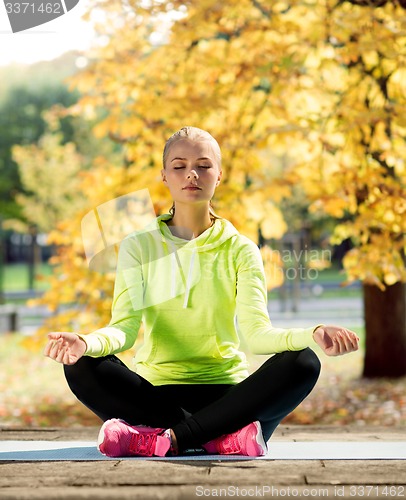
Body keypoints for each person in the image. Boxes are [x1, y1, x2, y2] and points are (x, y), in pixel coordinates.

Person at [44, 126, 359, 458]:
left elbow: (257, 335)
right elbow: (123, 329)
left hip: (230, 400)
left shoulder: (241, 249)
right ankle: (218, 439)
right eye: (179, 166)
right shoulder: (139, 246)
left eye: (203, 165)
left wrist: (314, 333)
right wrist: (85, 342)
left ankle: (162, 439)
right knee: (81, 364)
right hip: (156, 396)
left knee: (304, 362)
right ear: (164, 176)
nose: (191, 173)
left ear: (219, 175)